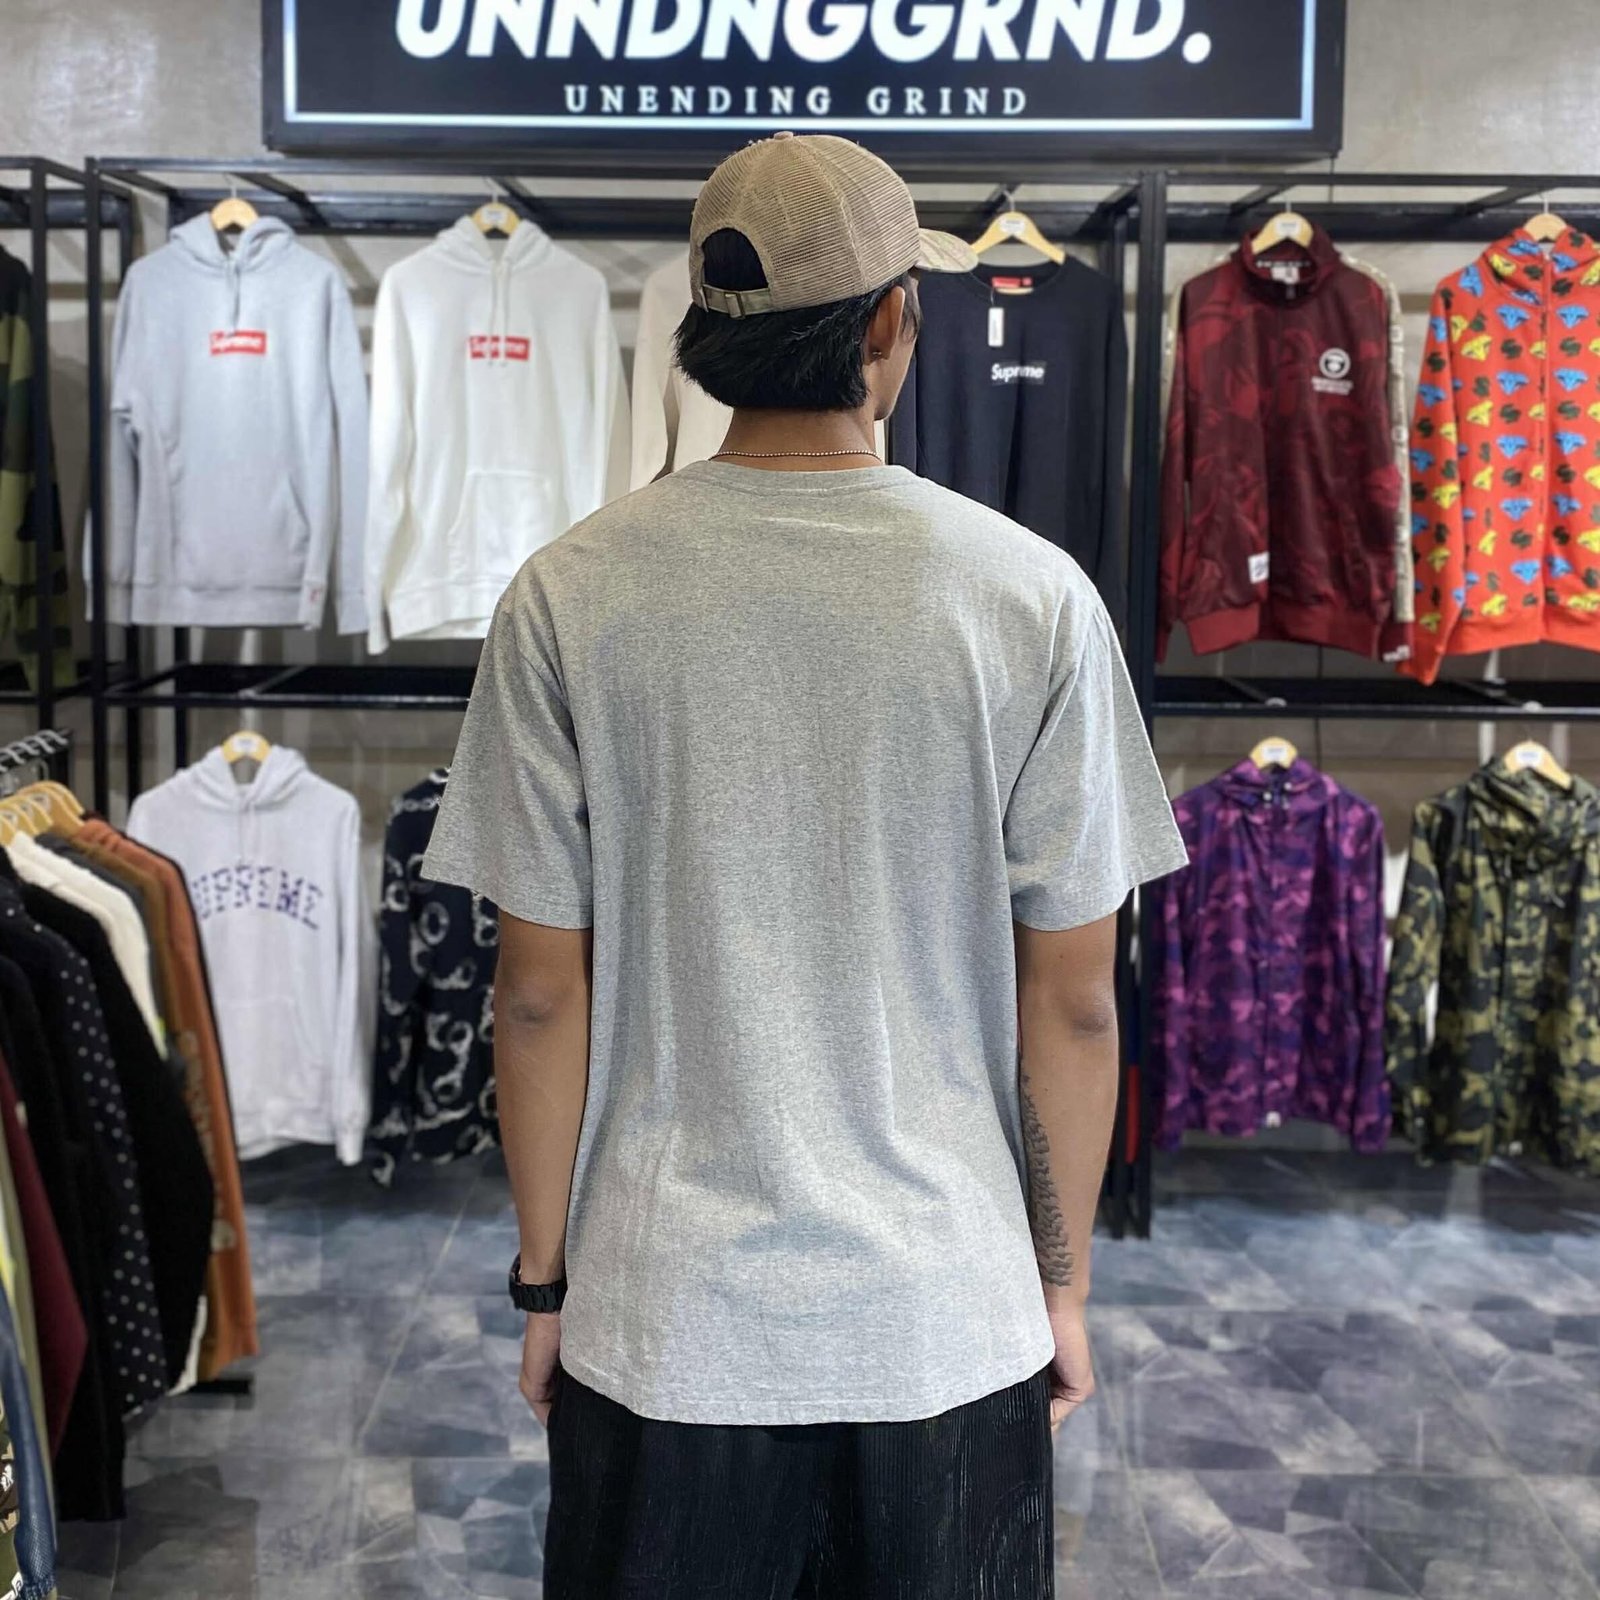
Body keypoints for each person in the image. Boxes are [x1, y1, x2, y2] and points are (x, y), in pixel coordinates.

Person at [423, 132, 1187, 1599]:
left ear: (705, 334)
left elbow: (537, 993)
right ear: (895, 320)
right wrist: (1063, 1286)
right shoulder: (1030, 596)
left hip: (662, 1319)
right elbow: (1078, 999)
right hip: (946, 1313)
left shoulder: (569, 593)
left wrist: (546, 1283)